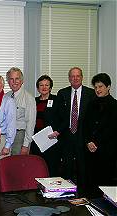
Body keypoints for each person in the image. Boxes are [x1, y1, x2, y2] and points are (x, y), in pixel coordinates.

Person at [53, 67, 95, 195]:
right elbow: (59, 116)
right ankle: (67, 194)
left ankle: (82, 194)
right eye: (72, 76)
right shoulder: (62, 93)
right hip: (67, 136)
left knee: (83, 167)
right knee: (67, 167)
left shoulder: (91, 93)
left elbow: (92, 118)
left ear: (82, 77)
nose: (75, 78)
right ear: (69, 78)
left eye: (77, 76)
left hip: (83, 136)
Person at [83, 73, 117, 197]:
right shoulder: (90, 104)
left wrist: (97, 144)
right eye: (96, 87)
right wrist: (88, 141)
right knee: (90, 186)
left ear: (108, 87)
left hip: (106, 152)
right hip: (90, 151)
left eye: (100, 86)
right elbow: (85, 126)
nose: (98, 90)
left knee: (105, 187)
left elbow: (112, 131)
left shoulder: (115, 106)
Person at [30, 75, 61, 177]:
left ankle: (52, 191)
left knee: (51, 168)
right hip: (36, 140)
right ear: (38, 87)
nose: (44, 87)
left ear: (50, 87)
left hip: (51, 139)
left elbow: (64, 119)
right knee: (37, 168)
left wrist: (57, 131)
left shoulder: (57, 100)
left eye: (47, 85)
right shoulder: (33, 101)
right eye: (41, 85)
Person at [6, 67, 36, 155]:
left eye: (17, 79)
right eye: (11, 79)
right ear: (8, 81)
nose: (14, 82)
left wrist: (26, 145)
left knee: (17, 166)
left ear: (22, 81)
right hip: (7, 136)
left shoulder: (28, 98)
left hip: (20, 137)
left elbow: (31, 123)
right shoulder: (6, 96)